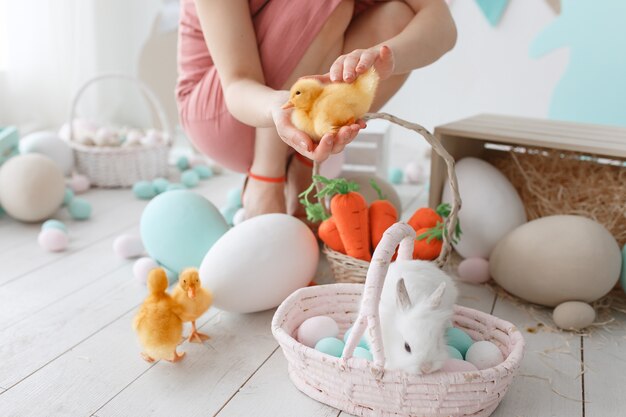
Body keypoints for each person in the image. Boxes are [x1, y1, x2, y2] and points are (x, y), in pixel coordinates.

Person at [176, 0, 457, 219]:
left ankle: (304, 171)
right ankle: (266, 179)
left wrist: (387, 58)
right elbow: (238, 83)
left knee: (397, 17)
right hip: (224, 113)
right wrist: (279, 107)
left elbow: (442, 25)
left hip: (298, 115)